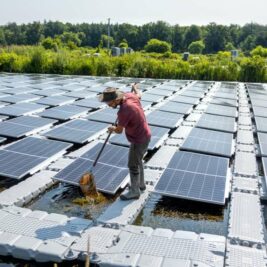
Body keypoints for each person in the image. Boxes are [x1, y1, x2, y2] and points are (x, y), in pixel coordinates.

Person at [99, 84, 151, 200]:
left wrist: (112, 128)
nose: (108, 105)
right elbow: (139, 95)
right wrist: (135, 87)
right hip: (145, 134)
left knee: (132, 165)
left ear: (116, 99)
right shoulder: (130, 95)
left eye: (109, 103)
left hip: (138, 139)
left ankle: (134, 191)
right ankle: (140, 185)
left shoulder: (124, 111)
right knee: (138, 161)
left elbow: (119, 131)